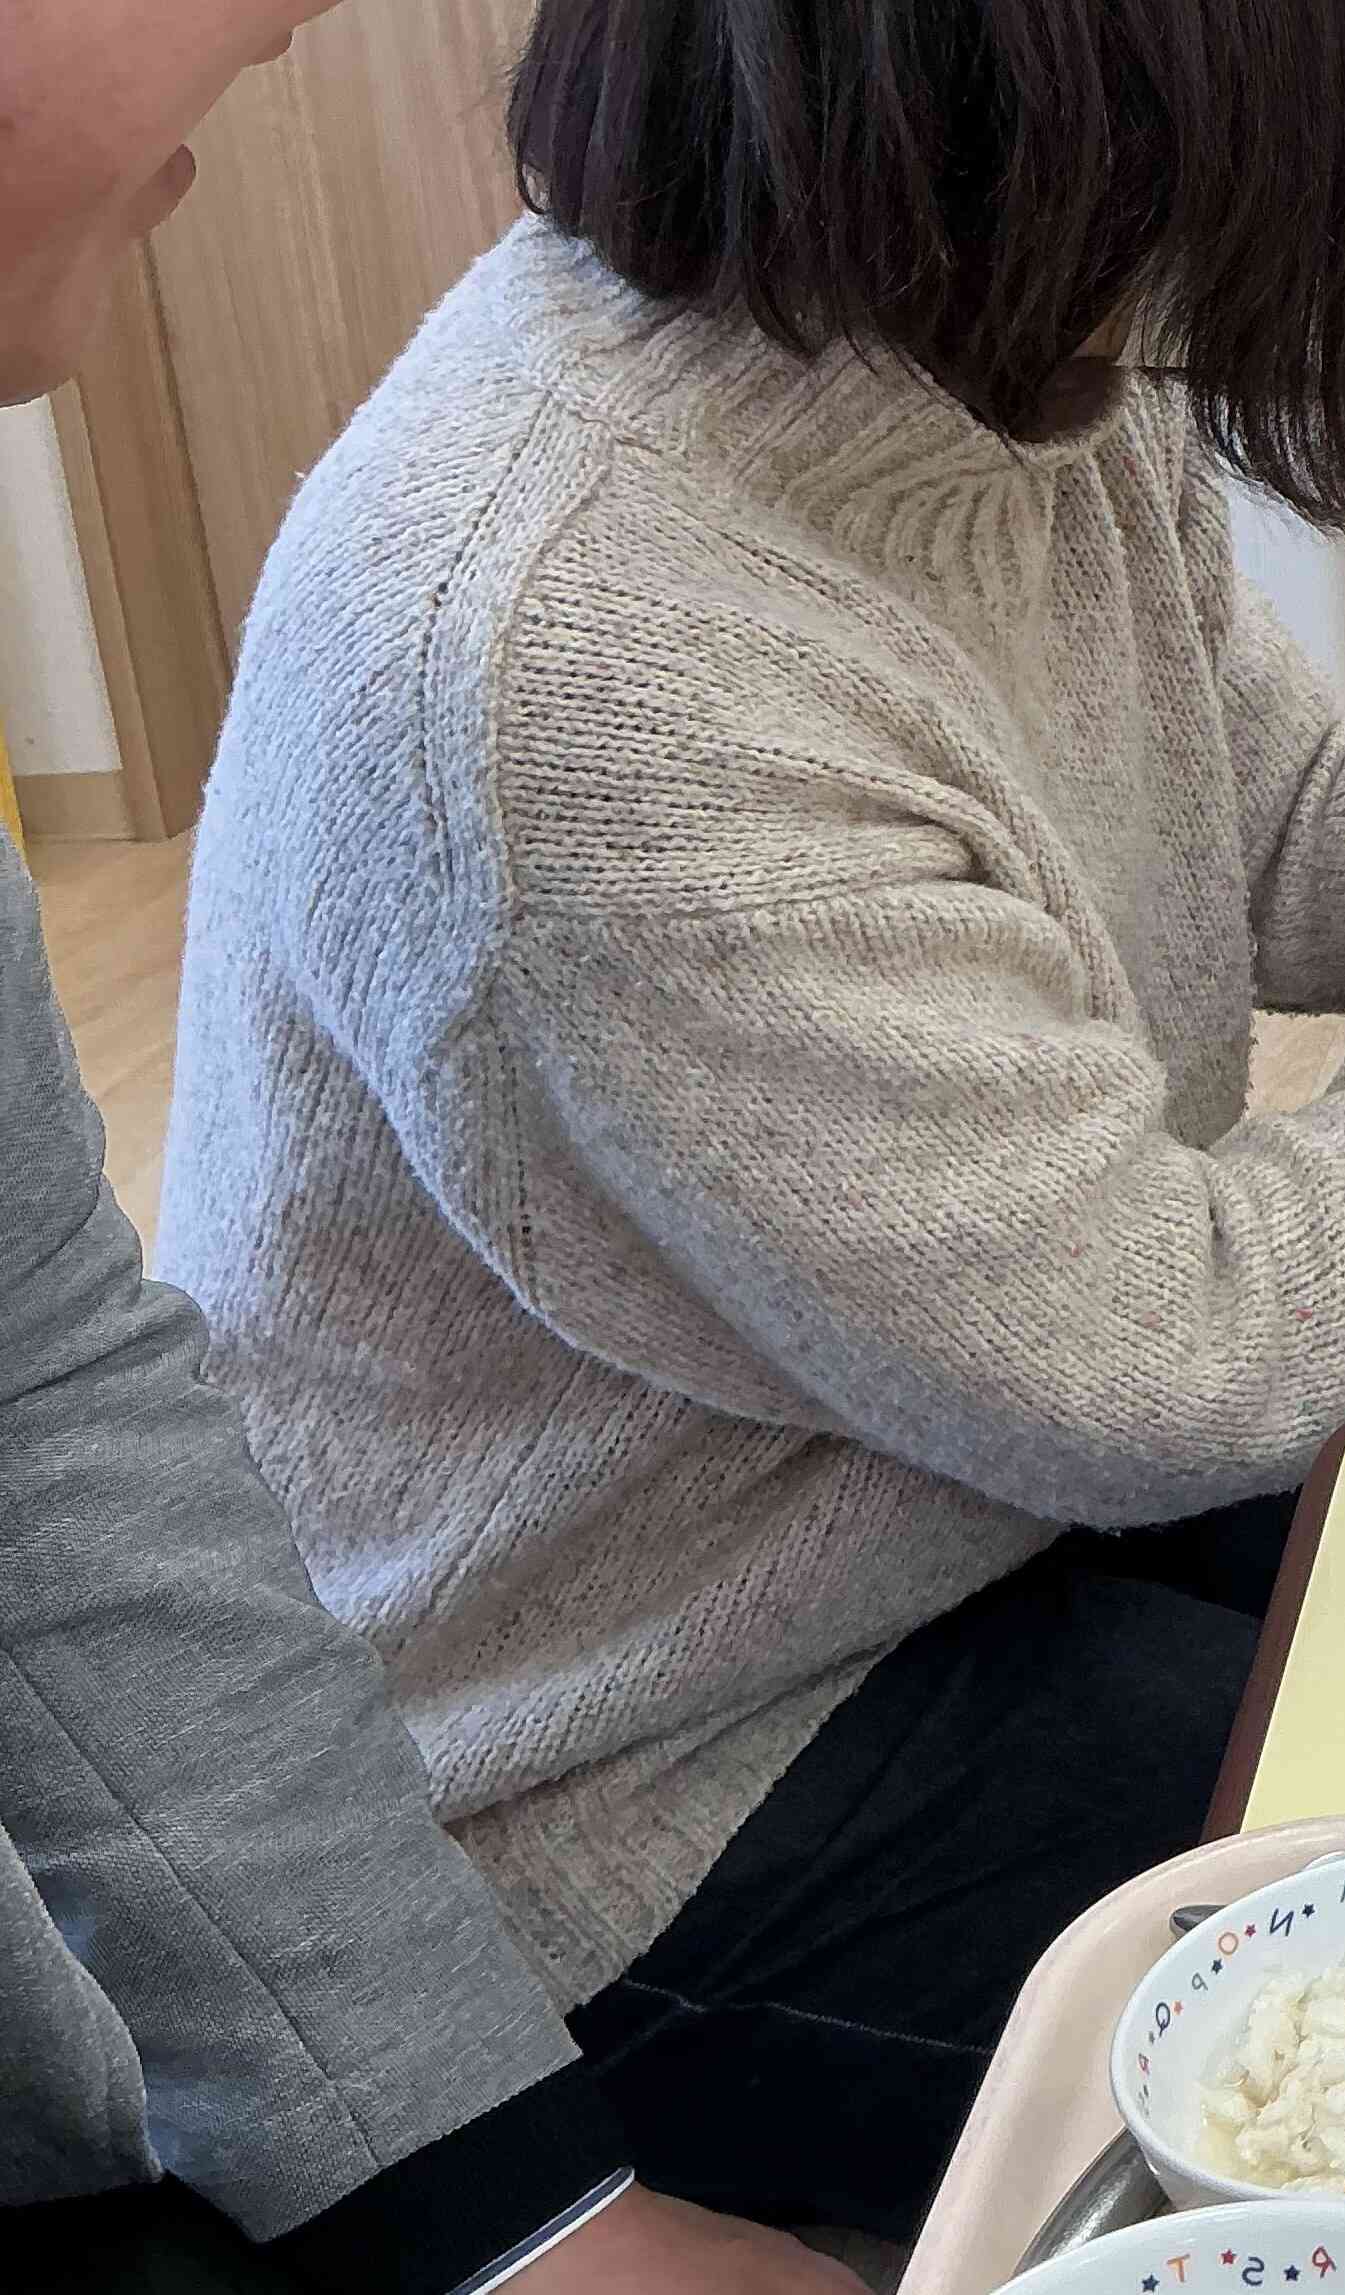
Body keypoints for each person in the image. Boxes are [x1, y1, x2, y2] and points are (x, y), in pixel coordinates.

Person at [156, 0, 1345, 2243]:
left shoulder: (981, 352)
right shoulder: (579, 652)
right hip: (627, 1772)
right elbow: (1187, 1354)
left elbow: (1278, 836)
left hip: (939, 1495)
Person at [0, 5, 886, 2290]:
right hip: (595, 1753)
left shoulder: (1023, 441)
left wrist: (500, 2203)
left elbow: (54, 1405)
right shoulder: (533, 593)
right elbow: (1128, 1331)